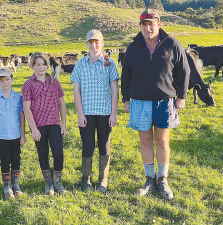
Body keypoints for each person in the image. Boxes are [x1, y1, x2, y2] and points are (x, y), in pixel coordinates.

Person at [121, 9, 190, 200]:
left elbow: (184, 71)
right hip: (140, 102)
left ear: (159, 24)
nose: (148, 28)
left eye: (151, 23)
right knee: (145, 141)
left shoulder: (172, 44)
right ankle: (149, 179)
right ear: (140, 26)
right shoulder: (133, 47)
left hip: (165, 102)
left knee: (162, 141)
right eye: (144, 24)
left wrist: (182, 96)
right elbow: (126, 75)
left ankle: (163, 179)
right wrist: (125, 99)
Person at [70, 29, 119, 193]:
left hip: (105, 113)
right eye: (90, 42)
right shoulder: (80, 64)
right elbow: (76, 90)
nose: (94, 45)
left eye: (97, 42)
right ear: (86, 44)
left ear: (102, 43)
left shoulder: (109, 63)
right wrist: (80, 114)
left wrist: (113, 113)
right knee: (88, 145)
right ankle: (86, 179)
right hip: (87, 113)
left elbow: (114, 90)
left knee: (104, 145)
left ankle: (103, 179)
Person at [22, 52, 67, 195]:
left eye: (43, 64)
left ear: (47, 65)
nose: (41, 67)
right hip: (39, 125)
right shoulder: (28, 84)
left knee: (58, 153)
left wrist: (64, 124)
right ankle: (48, 181)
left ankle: (58, 181)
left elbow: (62, 103)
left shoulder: (55, 82)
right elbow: (26, 108)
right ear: (32, 66)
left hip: (54, 123)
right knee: (43, 153)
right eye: (37, 64)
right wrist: (33, 129)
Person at [0, 67, 26, 199]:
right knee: (5, 160)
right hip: (1, 136)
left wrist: (23, 134)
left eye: (7, 80)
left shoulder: (18, 97)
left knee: (16, 159)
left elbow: (21, 116)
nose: (5, 83)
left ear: (12, 80)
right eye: (1, 81)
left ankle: (16, 184)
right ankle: (7, 186)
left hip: (15, 134)